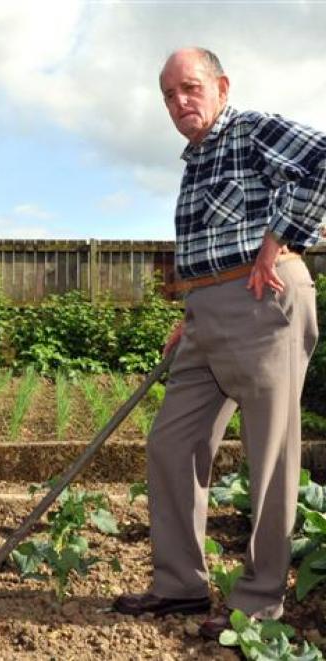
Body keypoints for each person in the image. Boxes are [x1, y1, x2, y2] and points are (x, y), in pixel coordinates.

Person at [113, 47, 326, 638]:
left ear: (221, 86)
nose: (179, 103)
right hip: (207, 314)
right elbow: (212, 246)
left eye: (190, 88)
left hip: (264, 304)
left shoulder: (251, 132)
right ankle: (179, 586)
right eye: (168, 95)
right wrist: (194, 311)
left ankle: (258, 603)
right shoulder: (196, 160)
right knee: (171, 443)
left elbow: (322, 159)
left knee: (271, 457)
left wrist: (278, 237)